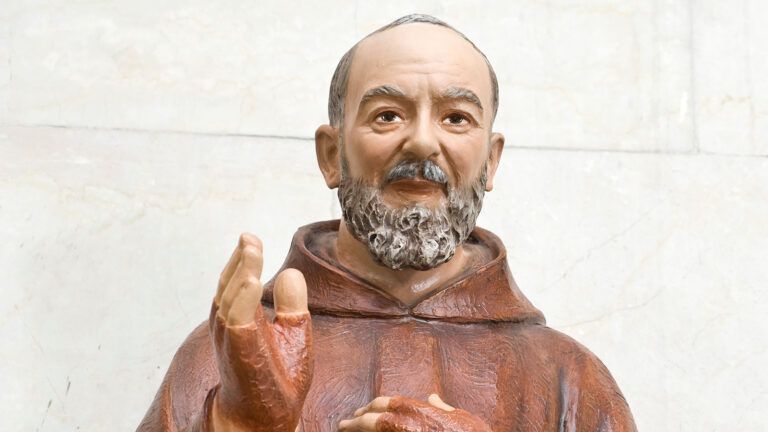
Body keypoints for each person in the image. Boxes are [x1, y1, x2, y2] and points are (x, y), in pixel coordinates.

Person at [138, 14, 637, 432]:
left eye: (457, 117)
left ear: (492, 161)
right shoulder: (228, 361)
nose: (422, 141)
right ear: (332, 155)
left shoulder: (569, 378)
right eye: (387, 115)